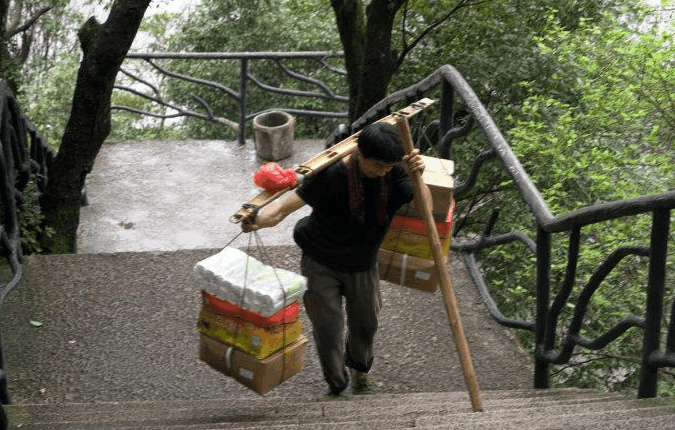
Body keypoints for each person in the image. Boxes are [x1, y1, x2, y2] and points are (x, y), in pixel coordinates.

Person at [242, 122, 427, 397]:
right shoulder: (330, 173)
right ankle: (336, 383)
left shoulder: (395, 172)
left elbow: (425, 209)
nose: (383, 172)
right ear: (359, 154)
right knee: (327, 329)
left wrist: (417, 177)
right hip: (320, 261)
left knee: (365, 324)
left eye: (388, 166)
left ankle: (360, 371)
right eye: (377, 165)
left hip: (363, 264)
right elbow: (282, 209)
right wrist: (256, 220)